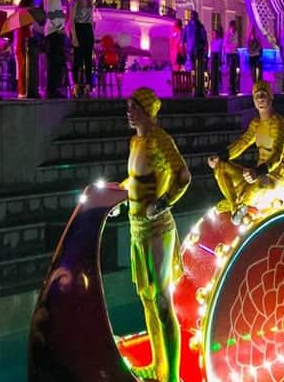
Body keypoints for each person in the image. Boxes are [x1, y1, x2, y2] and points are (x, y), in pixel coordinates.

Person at [118, 87, 191, 382]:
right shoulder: (136, 141)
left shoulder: (161, 140)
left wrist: (162, 204)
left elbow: (183, 175)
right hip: (136, 228)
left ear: (148, 111)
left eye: (134, 107)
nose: (129, 112)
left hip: (158, 229)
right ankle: (157, 365)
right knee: (146, 299)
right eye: (128, 106)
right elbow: (135, 178)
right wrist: (117, 193)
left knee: (162, 300)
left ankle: (171, 375)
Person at [207, 80, 284, 224]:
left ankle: (237, 203)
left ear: (271, 97)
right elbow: (242, 143)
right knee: (220, 166)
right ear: (253, 100)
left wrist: (257, 172)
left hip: (274, 179)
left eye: (263, 94)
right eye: (257, 96)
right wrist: (219, 156)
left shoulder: (280, 124)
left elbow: (277, 156)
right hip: (256, 175)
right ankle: (235, 206)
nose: (260, 99)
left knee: (252, 190)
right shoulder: (256, 124)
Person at [43, 0, 70, 98]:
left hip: (54, 30)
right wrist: (60, 27)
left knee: (56, 62)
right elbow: (50, 11)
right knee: (55, 62)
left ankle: (53, 89)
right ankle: (52, 90)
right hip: (54, 31)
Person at [68, 0, 95, 98]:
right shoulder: (75, 0)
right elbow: (71, 20)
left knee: (88, 60)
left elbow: (91, 19)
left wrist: (93, 32)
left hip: (88, 30)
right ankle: (76, 86)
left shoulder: (90, 1)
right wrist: (74, 36)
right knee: (77, 60)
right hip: (79, 29)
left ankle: (88, 86)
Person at [183, 11, 208, 97]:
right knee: (192, 68)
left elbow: (204, 38)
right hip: (191, 50)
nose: (192, 17)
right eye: (191, 16)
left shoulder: (199, 26)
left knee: (198, 68)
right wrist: (184, 49)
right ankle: (194, 85)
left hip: (198, 50)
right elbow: (183, 39)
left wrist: (204, 47)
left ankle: (198, 86)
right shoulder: (188, 26)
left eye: (193, 16)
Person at [225, 19, 240, 95]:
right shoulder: (228, 34)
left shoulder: (236, 33)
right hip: (229, 54)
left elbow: (236, 42)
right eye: (234, 26)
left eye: (235, 26)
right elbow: (225, 44)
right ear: (231, 26)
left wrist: (236, 47)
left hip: (234, 53)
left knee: (234, 71)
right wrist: (233, 46)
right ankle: (230, 88)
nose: (235, 27)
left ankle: (234, 87)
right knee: (230, 71)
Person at [209, 26, 224, 96]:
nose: (213, 35)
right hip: (213, 57)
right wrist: (210, 59)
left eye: (214, 33)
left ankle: (216, 89)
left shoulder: (220, 41)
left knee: (217, 73)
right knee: (213, 74)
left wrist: (221, 59)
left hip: (217, 57)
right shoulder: (212, 41)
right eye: (213, 34)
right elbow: (211, 50)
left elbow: (221, 50)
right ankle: (212, 89)